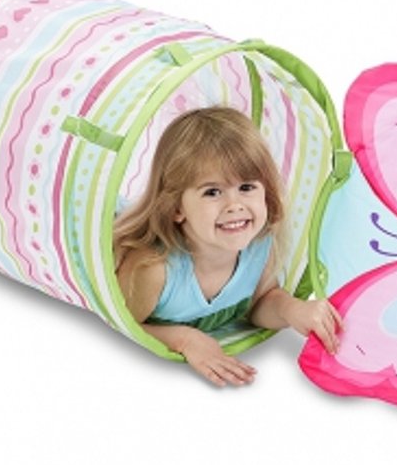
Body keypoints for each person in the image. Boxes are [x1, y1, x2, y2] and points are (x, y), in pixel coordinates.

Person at [114, 106, 342, 387]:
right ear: (176, 208)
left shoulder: (259, 246)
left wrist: (291, 309)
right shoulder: (153, 268)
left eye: (246, 188)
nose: (234, 205)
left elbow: (260, 301)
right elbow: (122, 323)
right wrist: (185, 339)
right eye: (212, 192)